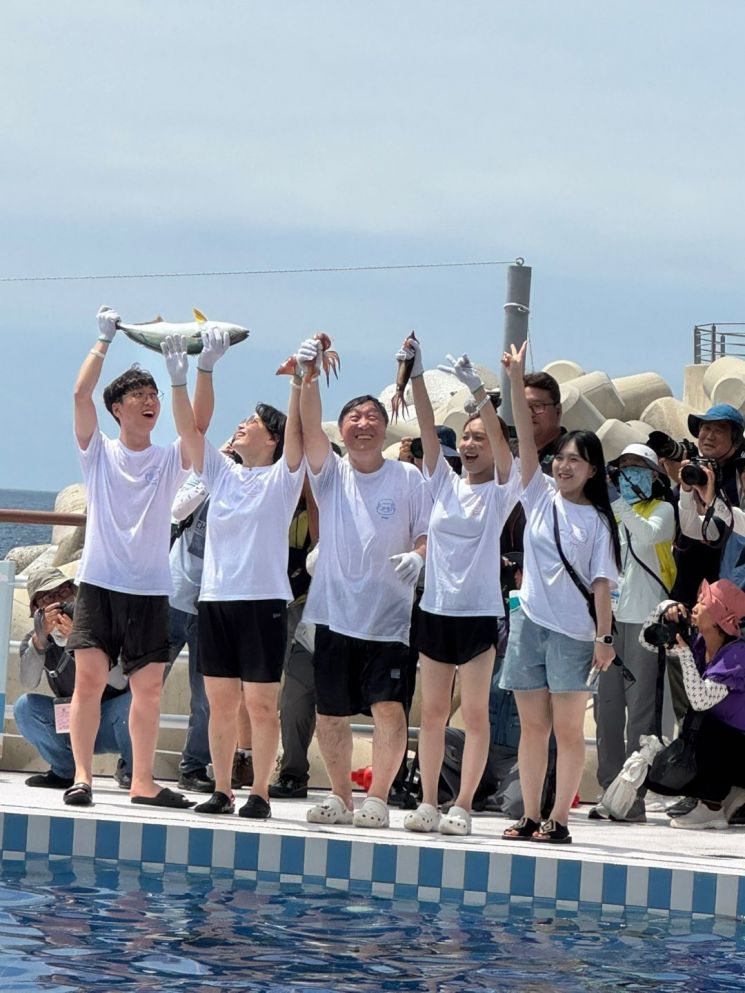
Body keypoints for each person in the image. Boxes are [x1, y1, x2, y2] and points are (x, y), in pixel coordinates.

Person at [161, 333, 305, 819]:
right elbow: (189, 431)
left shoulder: (284, 477)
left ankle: (259, 792)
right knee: (221, 704)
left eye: (254, 423)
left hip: (263, 602)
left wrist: (299, 381)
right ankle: (222, 789)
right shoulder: (221, 472)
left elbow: (300, 434)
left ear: (273, 439)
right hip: (215, 600)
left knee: (261, 705)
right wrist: (190, 375)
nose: (242, 426)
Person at [296, 334, 431, 829]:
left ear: (387, 425)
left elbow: (426, 536)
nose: (363, 425)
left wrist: (419, 559)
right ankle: (339, 797)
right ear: (344, 429)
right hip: (333, 614)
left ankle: (376, 799)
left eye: (372, 417)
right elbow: (310, 429)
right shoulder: (330, 474)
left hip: (389, 617)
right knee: (329, 714)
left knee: (388, 710)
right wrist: (307, 374)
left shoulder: (408, 478)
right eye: (354, 418)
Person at [65, 306, 194, 809]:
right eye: (138, 396)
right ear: (117, 408)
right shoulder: (97, 451)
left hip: (150, 589)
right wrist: (102, 342)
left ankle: (143, 782)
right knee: (90, 682)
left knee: (151, 692)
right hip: (99, 583)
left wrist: (190, 375)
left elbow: (197, 427)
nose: (149, 402)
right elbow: (80, 395)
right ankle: (82, 777)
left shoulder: (167, 460)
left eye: (153, 396)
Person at [499, 341, 621, 845]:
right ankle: (530, 816)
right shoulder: (537, 494)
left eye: (577, 461)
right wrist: (514, 376)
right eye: (562, 458)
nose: (565, 466)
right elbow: (525, 437)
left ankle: (560, 820)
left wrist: (604, 638)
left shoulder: (596, 522)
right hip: (530, 624)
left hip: (574, 635)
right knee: (533, 729)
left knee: (568, 733)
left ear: (594, 471)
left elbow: (600, 585)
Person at [399, 339, 518, 837]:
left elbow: (510, 453)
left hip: (477, 614)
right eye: (466, 438)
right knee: (429, 714)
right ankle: (429, 799)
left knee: (473, 715)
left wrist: (480, 392)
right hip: (435, 610)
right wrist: (419, 373)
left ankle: (464, 803)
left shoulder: (502, 490)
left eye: (479, 438)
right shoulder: (443, 484)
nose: (470, 445)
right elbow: (427, 429)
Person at [590, 444, 676, 823]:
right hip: (610, 621)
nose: (628, 475)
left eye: (638, 469)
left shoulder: (663, 511)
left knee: (641, 712)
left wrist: (616, 501)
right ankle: (610, 790)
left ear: (655, 476)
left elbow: (645, 539)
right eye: (623, 468)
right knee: (607, 709)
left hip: (645, 621)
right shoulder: (611, 514)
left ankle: (633, 796)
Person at [636, 581, 745, 829]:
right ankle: (724, 795)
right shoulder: (698, 643)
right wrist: (666, 608)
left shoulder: (737, 655)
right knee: (695, 725)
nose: (694, 607)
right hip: (731, 750)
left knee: (703, 723)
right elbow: (646, 641)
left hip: (736, 749)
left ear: (719, 617)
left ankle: (712, 806)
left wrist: (684, 655)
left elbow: (700, 699)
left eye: (703, 603)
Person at [15, 567, 132, 790]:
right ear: (37, 610)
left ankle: (131, 771)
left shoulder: (101, 628)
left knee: (134, 701)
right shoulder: (36, 642)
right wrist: (40, 640)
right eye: (49, 598)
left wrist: (80, 642)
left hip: (110, 721)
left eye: (64, 592)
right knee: (24, 707)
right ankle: (64, 771)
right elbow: (29, 682)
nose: (59, 602)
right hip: (71, 722)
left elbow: (121, 683)